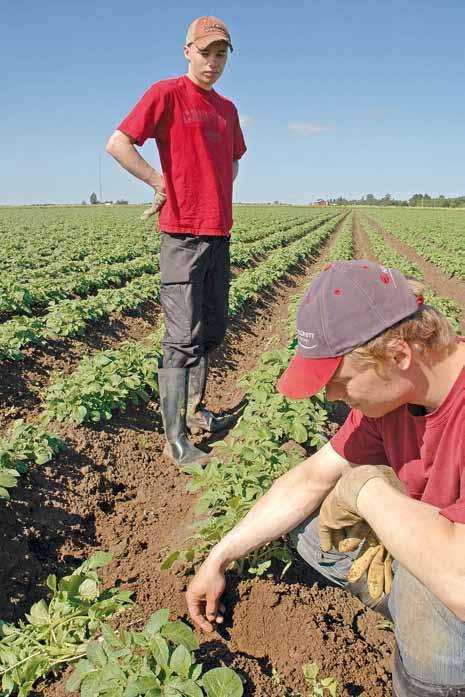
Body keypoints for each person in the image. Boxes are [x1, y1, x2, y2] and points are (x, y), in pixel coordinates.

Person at [186, 260, 465, 697]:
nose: (331, 395)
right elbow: (311, 478)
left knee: (423, 587)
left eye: (339, 381)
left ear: (398, 355)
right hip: (448, 550)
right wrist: (218, 557)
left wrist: (366, 490)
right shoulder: (390, 401)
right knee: (309, 526)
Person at [106, 16, 246, 466]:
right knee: (181, 337)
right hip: (182, 235)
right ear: (187, 51)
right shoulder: (166, 93)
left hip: (218, 233)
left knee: (213, 329)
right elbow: (118, 143)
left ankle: (197, 410)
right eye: (205, 52)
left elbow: (233, 160)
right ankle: (176, 440)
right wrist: (157, 181)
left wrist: (217, 195)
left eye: (221, 53)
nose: (213, 61)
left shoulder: (227, 109)